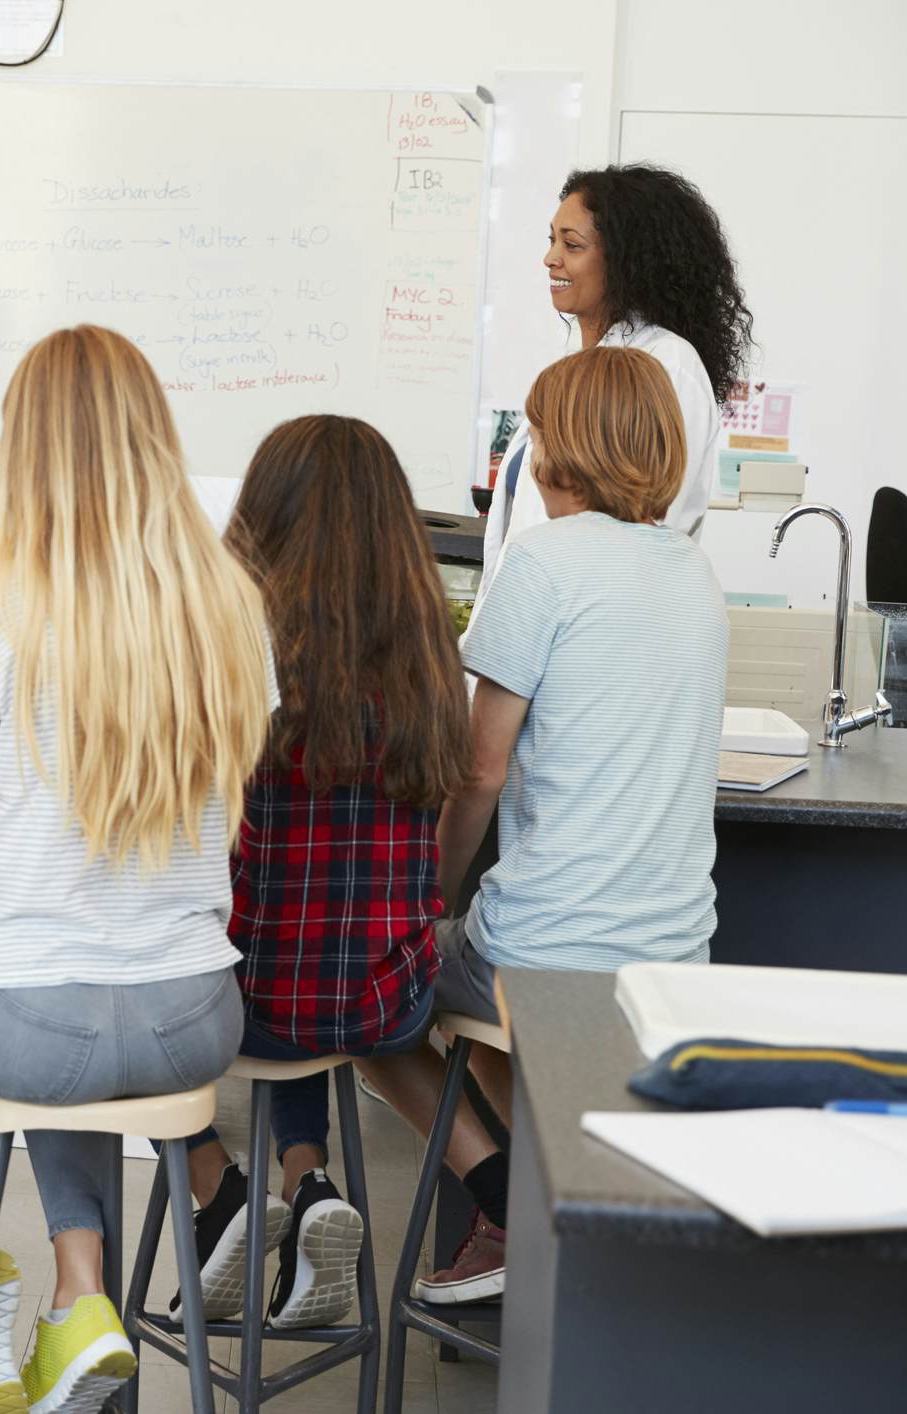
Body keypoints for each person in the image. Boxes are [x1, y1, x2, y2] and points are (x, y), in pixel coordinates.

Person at [0, 325, 274, 1414]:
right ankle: (80, 1299)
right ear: (151, 439)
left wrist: (11, 950)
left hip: (42, 1018)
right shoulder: (227, 608)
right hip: (195, 1016)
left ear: (27, 449)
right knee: (65, 1027)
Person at [359, 345, 729, 1305]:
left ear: (563, 450)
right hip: (672, 953)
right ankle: (551, 1209)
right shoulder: (696, 576)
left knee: (363, 975)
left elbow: (478, 768)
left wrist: (423, 902)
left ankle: (519, 1206)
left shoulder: (544, 562)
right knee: (487, 1034)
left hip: (545, 950)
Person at [163, 416, 470, 1332]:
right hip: (387, 1000)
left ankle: (219, 1192)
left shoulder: (231, 655)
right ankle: (312, 1185)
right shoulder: (429, 662)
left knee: (160, 974)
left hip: (254, 1000)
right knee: (313, 962)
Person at [483, 164, 756, 586]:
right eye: (552, 240)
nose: (550, 258)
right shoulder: (575, 364)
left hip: (593, 626)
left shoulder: (668, 366)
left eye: (571, 245)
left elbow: (650, 527)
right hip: (542, 613)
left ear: (625, 260)